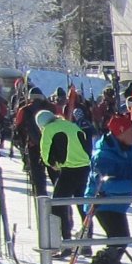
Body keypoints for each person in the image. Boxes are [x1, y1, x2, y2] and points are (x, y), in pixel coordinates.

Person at [84, 114, 132, 262]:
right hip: (103, 204)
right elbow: (104, 185)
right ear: (120, 133)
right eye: (131, 132)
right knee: (119, 240)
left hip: (117, 204)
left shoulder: (127, 151)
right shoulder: (103, 156)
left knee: (120, 241)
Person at [40, 106, 93, 248]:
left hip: (69, 169)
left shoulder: (48, 129)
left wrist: (52, 164)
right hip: (85, 168)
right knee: (83, 205)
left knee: (58, 205)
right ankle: (87, 243)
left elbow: (45, 152)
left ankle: (65, 242)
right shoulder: (70, 125)